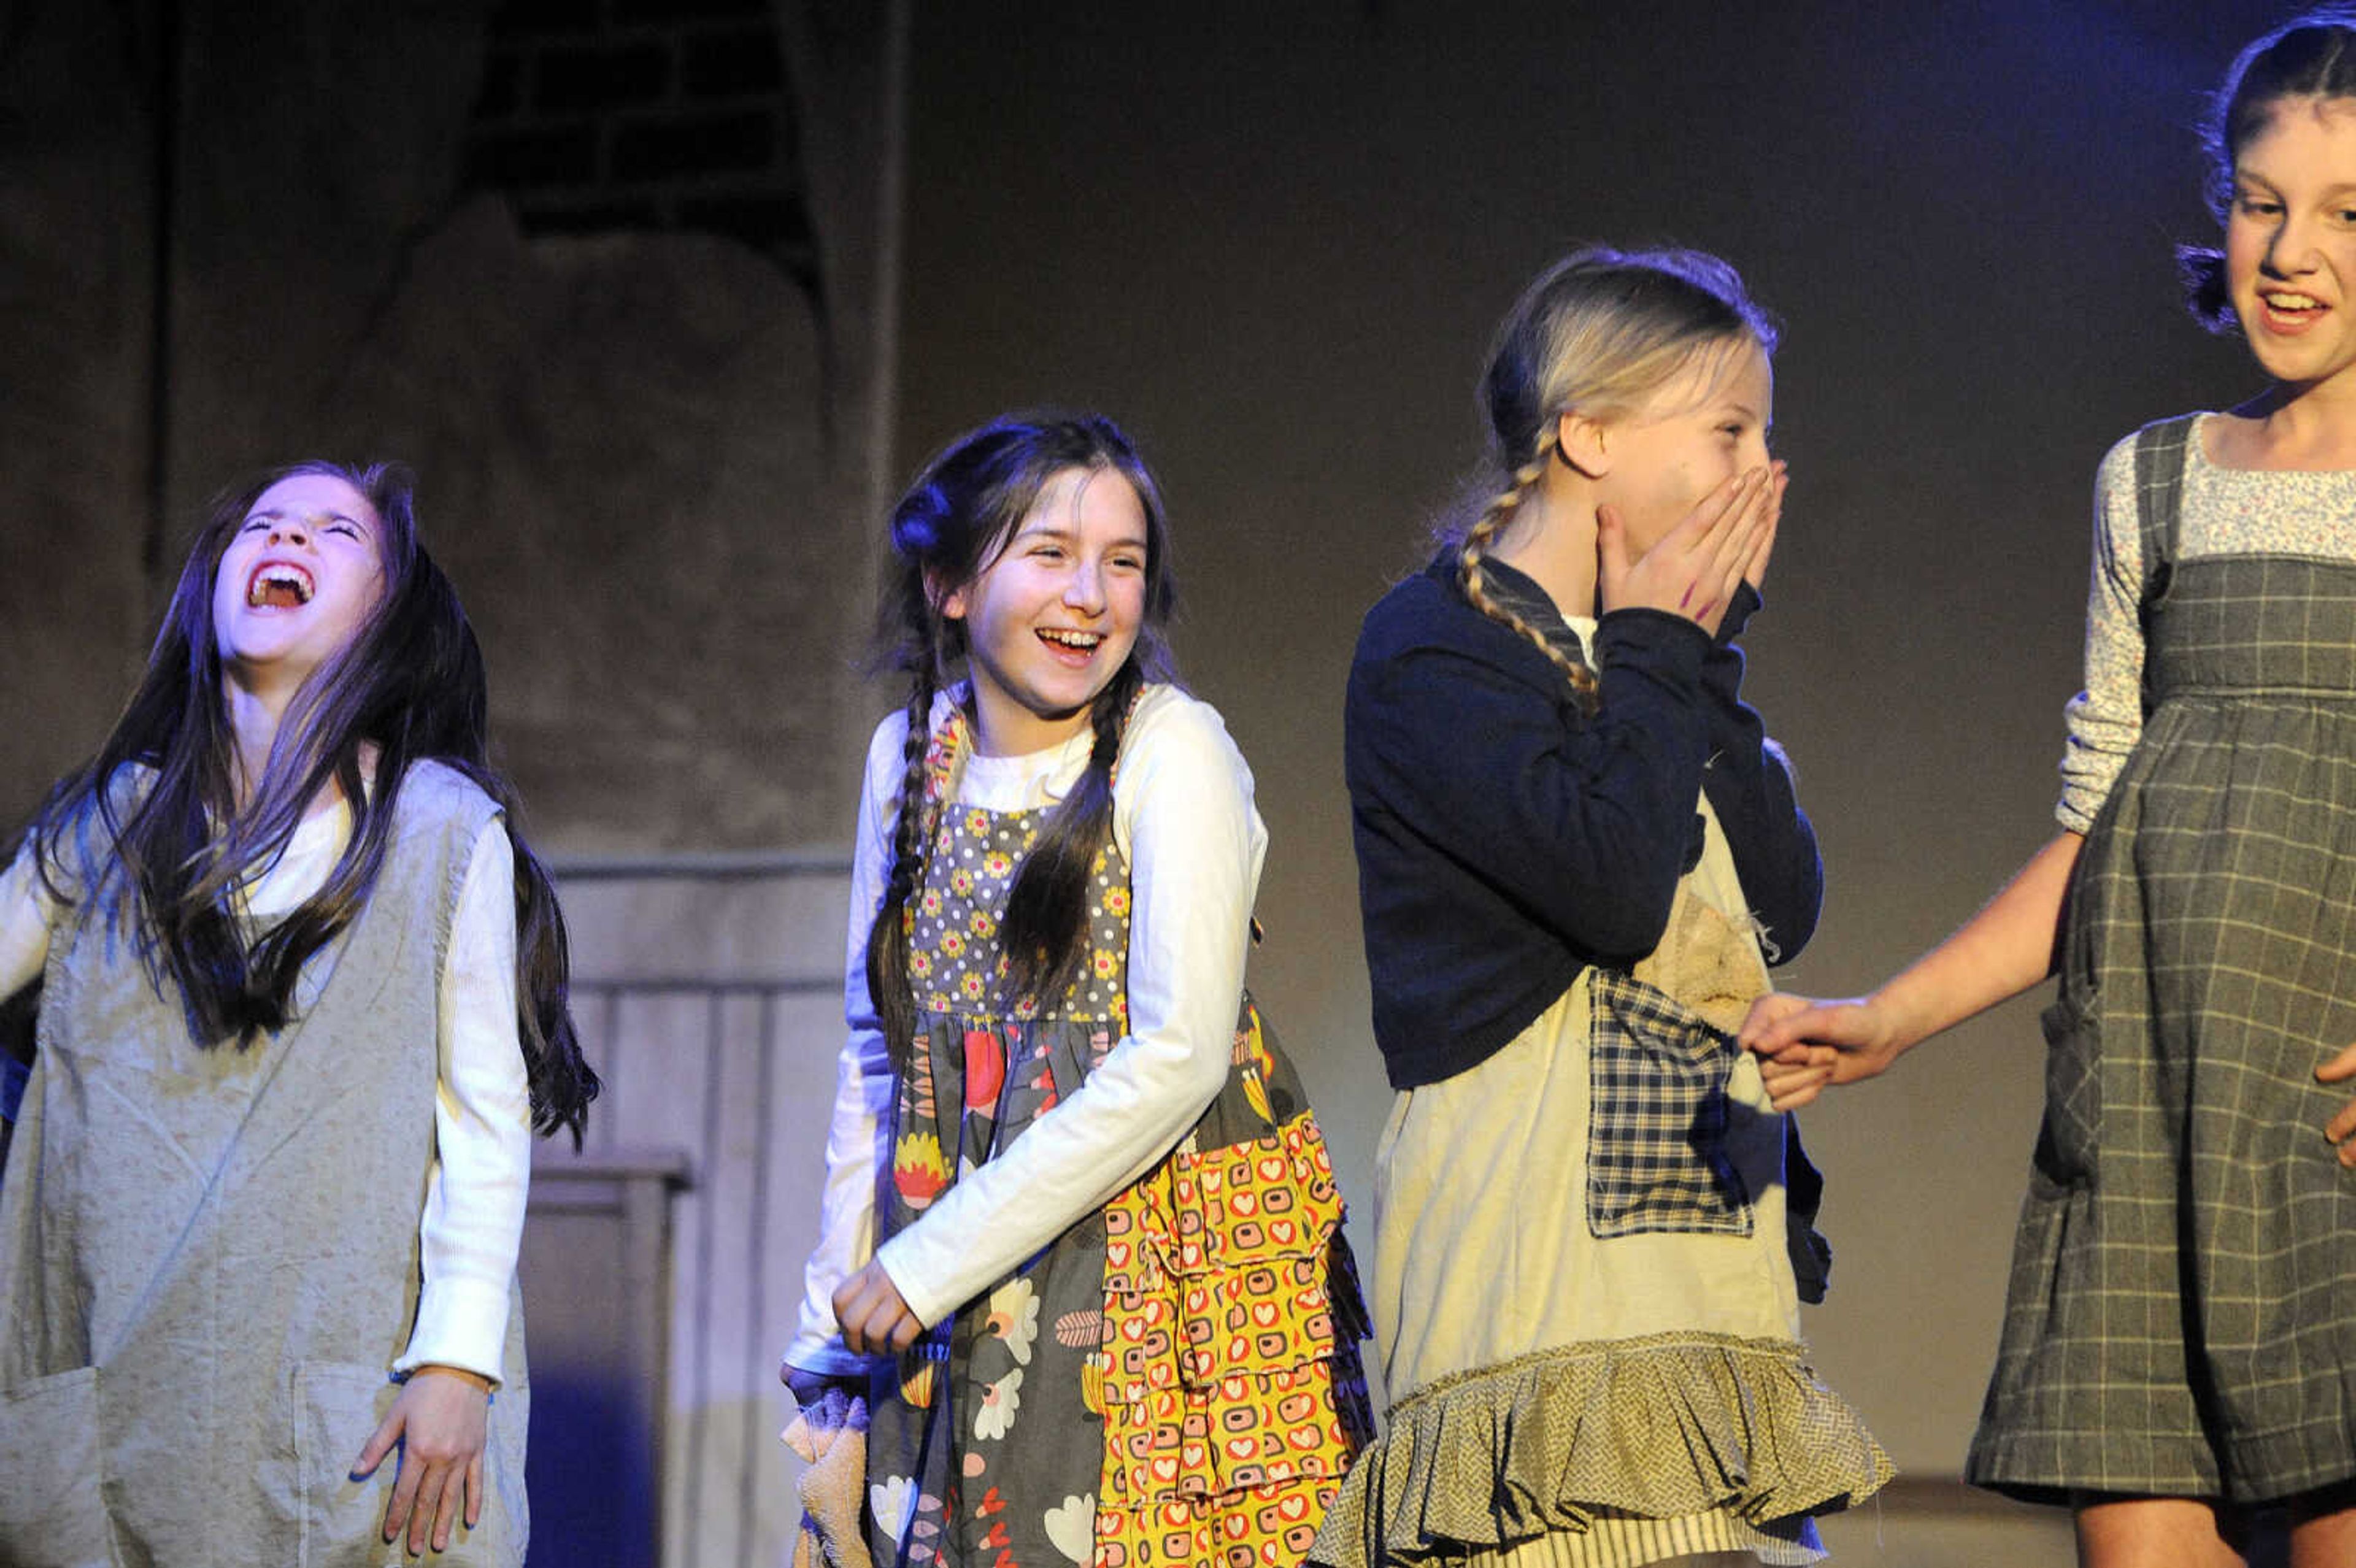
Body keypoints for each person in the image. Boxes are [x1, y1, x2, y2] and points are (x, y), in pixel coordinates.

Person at [1740, 14, 2356, 1566]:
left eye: (2349, 211)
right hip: (2143, 1127)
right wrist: (1893, 1015)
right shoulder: (2154, 481)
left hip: (2335, 1131)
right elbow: (2101, 825)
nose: (2291, 253)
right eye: (2260, 199)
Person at [1313, 248, 1890, 1568]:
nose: (1765, 471)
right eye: (1730, 428)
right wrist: (1659, 650)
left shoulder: (1661, 663)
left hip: (1701, 1271)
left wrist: (1707, 648)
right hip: (1540, 1283)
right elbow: (1617, 888)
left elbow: (1782, 900)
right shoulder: (1434, 649)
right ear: (1586, 431)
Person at [781, 412, 1371, 1568]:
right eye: (1048, 552)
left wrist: (932, 1258)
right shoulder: (914, 755)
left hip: (1158, 1275)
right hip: (947, 1289)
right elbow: (881, 1050)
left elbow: (1179, 1059)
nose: (1091, 594)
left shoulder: (1171, 747)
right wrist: (830, 1325)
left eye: (1124, 562)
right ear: (949, 582)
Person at [0, 460, 598, 1565]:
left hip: (329, 1419)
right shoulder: (110, 827)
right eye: (264, 524)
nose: (290, 539)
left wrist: (458, 1362)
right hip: (115, 1409)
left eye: (335, 532)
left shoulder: (437, 830)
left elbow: (483, 1121)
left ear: (387, 613)